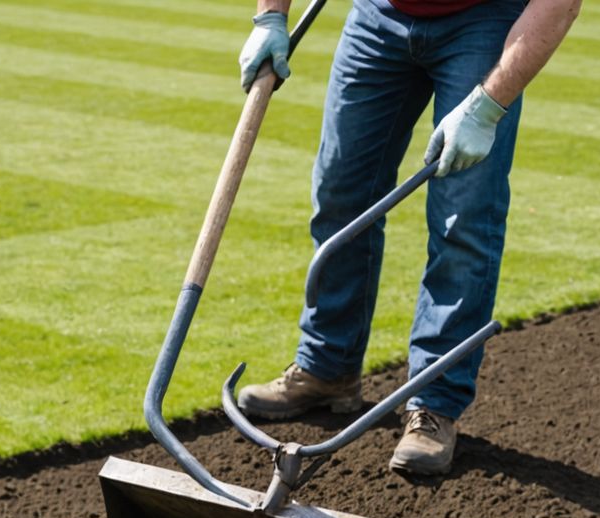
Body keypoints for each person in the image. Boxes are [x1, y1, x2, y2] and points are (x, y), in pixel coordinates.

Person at [236, 0, 582, 475]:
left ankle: (434, 404)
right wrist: (270, 17)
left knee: (463, 218)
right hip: (380, 14)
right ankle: (327, 367)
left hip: (484, 19)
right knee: (341, 194)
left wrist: (488, 106)